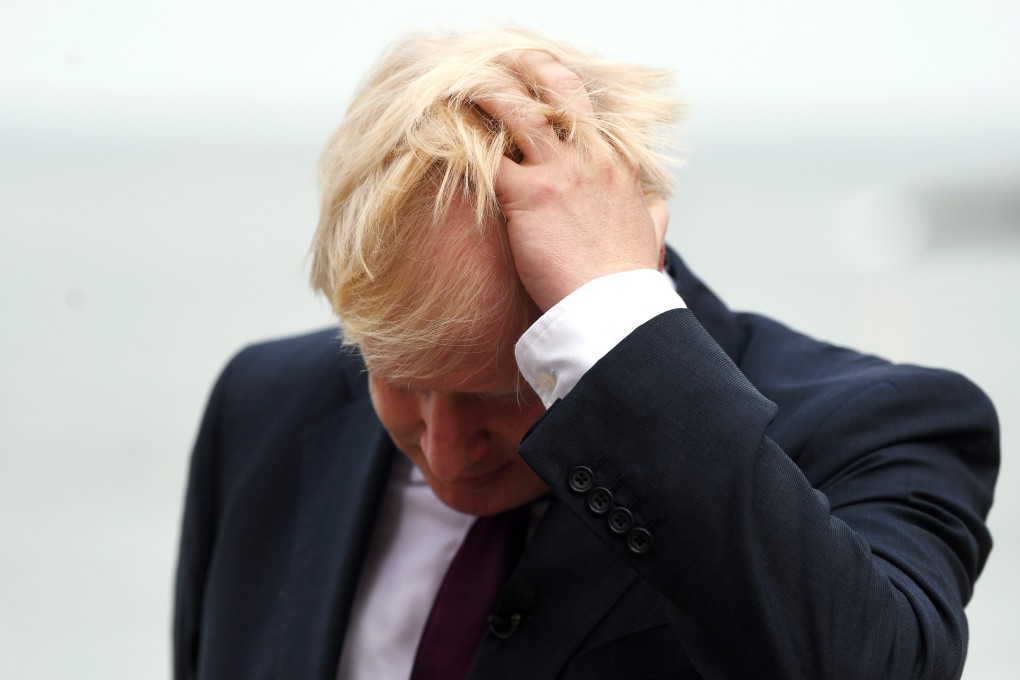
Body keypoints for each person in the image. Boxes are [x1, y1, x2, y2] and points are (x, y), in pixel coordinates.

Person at [174, 28, 999, 680]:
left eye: (507, 390)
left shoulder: (886, 428)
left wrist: (617, 323)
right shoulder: (265, 402)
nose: (447, 450)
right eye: (401, 379)